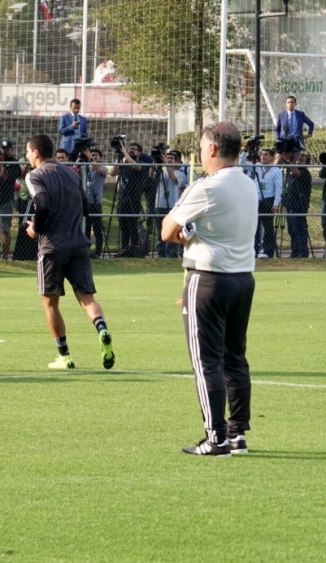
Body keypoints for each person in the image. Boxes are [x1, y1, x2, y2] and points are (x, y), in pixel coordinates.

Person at [161, 121, 257, 456]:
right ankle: (237, 434)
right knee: (235, 357)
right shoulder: (248, 184)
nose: (200, 153)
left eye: (201, 147)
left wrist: (185, 234)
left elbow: (167, 229)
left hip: (208, 278)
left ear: (213, 149)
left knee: (206, 361)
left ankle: (215, 437)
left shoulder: (205, 187)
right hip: (244, 278)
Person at [23, 133, 115, 371]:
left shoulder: (34, 175)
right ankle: (102, 328)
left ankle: (65, 356)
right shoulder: (70, 173)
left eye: (27, 151)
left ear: (35, 152)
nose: (26, 155)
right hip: (78, 244)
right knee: (87, 297)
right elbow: (85, 206)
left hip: (53, 247)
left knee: (50, 303)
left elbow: (41, 204)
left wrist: (35, 227)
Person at [110, 141, 153, 257]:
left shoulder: (141, 163)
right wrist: (119, 157)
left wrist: (124, 152)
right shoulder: (125, 163)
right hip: (123, 198)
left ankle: (134, 248)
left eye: (134, 149)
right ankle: (124, 249)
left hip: (133, 199)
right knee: (123, 226)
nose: (130, 150)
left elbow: (136, 166)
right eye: (129, 148)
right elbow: (112, 173)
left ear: (139, 152)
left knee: (132, 225)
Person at [239, 146, 282, 258]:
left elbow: (278, 187)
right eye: (262, 154)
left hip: (268, 200)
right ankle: (254, 250)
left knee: (268, 227)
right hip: (256, 199)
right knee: (255, 226)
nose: (263, 156)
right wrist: (245, 150)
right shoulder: (257, 166)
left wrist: (276, 203)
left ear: (272, 157)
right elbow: (242, 163)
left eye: (266, 154)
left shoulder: (276, 170)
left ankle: (268, 251)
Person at [149, 151, 185, 258]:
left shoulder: (180, 174)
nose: (168, 159)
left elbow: (173, 178)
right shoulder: (161, 173)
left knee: (171, 231)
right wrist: (153, 164)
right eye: (167, 157)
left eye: (171, 158)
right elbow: (151, 176)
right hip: (160, 205)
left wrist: (166, 164)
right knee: (160, 230)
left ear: (176, 161)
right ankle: (161, 253)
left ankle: (171, 253)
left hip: (172, 206)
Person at [277, 148, 311, 258]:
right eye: (298, 160)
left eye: (302, 160)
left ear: (306, 164)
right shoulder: (290, 173)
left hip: (299, 206)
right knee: (292, 230)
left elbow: (297, 172)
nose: (299, 161)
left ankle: (302, 253)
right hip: (289, 205)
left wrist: (287, 160)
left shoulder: (305, 173)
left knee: (299, 231)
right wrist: (283, 157)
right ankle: (295, 251)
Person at [83, 148, 107, 258]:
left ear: (100, 158)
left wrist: (89, 157)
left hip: (96, 202)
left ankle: (98, 252)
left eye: (96, 155)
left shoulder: (102, 168)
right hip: (85, 202)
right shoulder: (85, 168)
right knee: (86, 228)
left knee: (97, 228)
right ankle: (86, 251)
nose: (94, 156)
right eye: (93, 155)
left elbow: (99, 170)